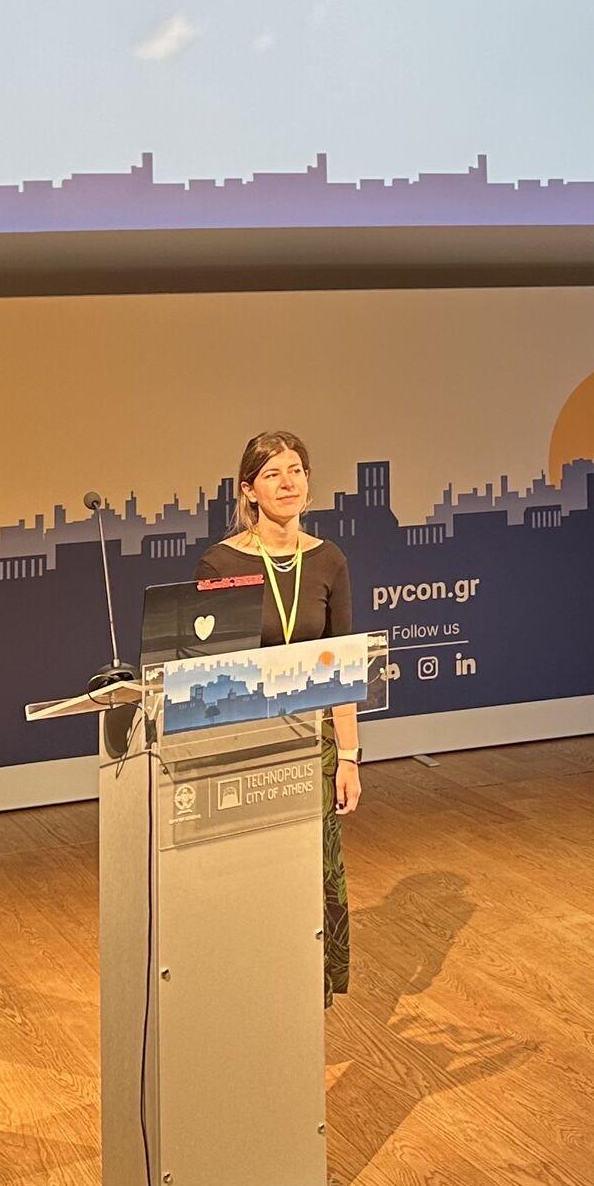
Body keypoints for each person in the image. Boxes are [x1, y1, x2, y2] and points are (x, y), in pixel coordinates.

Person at [206, 429, 360, 1005]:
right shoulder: (220, 562)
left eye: (296, 470)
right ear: (249, 490)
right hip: (249, 746)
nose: (287, 483)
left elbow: (342, 665)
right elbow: (211, 672)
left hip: (312, 744)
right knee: (254, 872)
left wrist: (349, 757)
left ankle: (308, 992)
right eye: (272, 474)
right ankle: (251, 989)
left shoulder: (329, 560)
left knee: (311, 869)